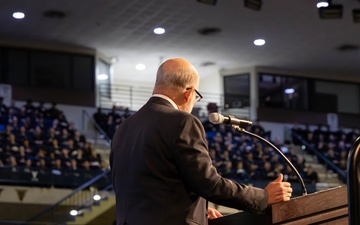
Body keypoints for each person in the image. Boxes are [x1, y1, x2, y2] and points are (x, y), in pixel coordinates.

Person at [110, 58, 293, 225]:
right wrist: (263, 196)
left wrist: (198, 211)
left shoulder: (124, 127)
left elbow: (149, 186)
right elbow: (208, 183)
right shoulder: (182, 121)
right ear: (189, 93)